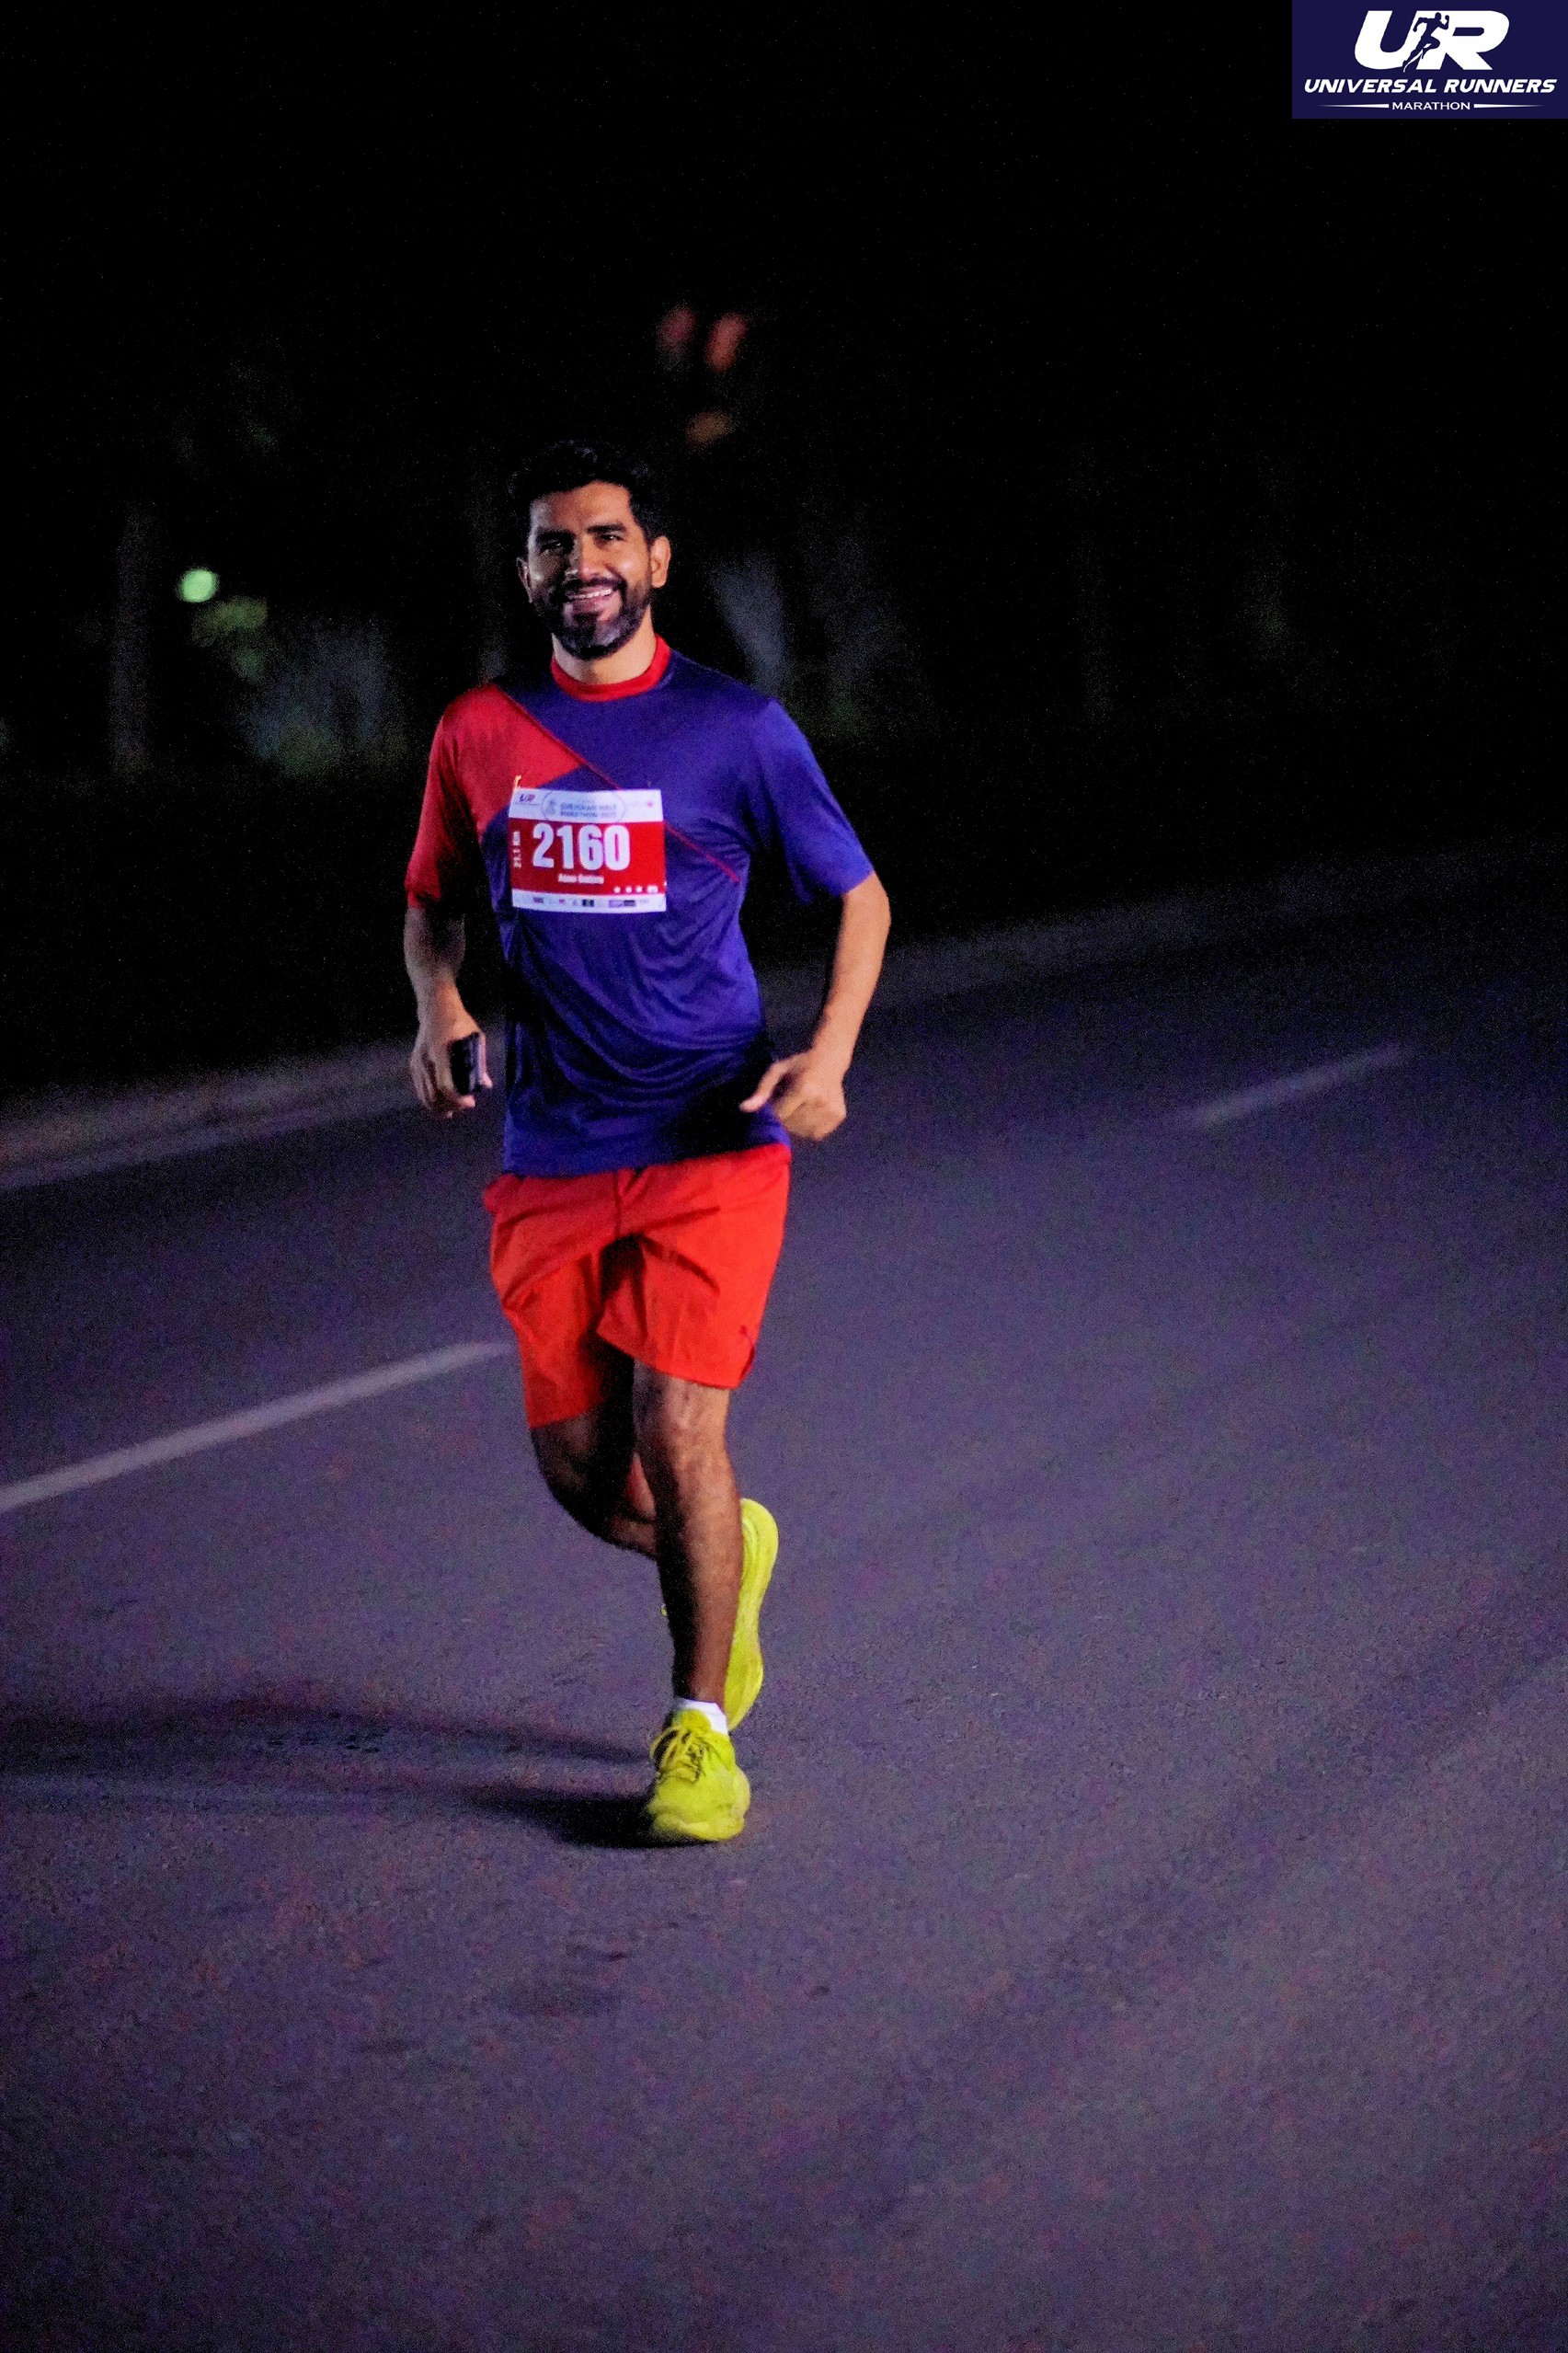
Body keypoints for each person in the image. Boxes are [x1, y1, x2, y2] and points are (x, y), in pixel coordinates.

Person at [404, 440, 889, 1843]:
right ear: (526, 573)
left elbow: (859, 897)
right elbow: (432, 902)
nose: (584, 565)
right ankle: (734, 1545)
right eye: (555, 544)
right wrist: (437, 1002)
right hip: (553, 1146)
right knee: (579, 1473)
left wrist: (829, 1053)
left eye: (609, 537)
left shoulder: (735, 728)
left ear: (656, 560)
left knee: (681, 1434)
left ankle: (697, 1734)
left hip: (709, 1137)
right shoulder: (477, 732)